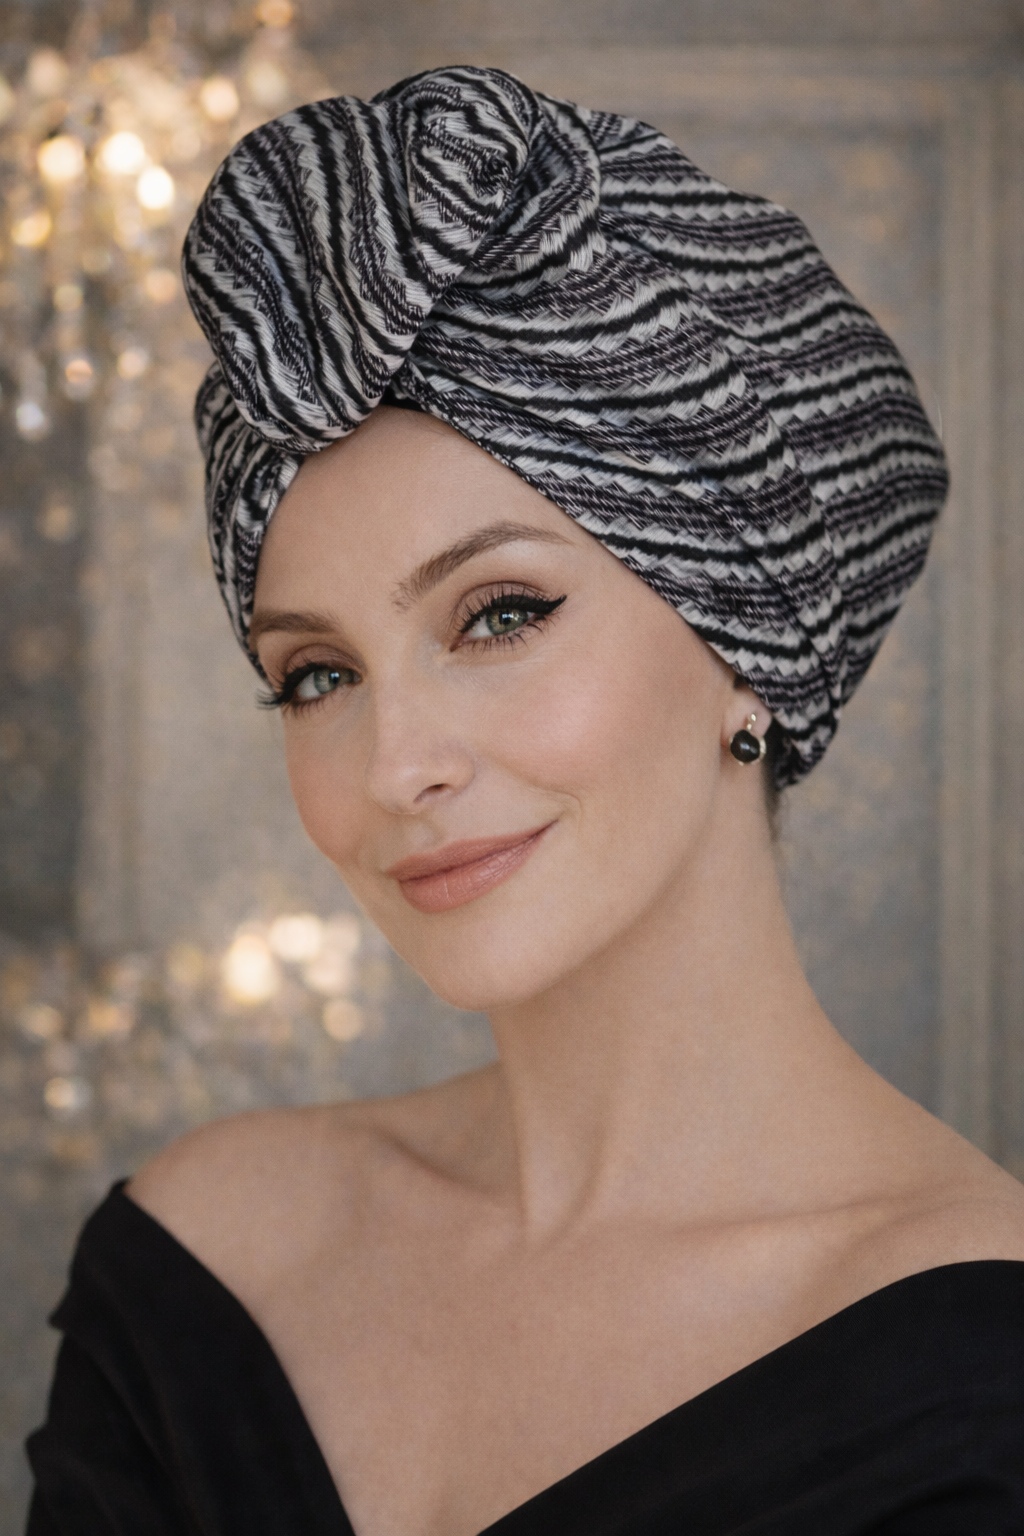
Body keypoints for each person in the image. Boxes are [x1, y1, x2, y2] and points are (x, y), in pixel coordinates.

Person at [26, 66, 1024, 1536]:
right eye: (316, 675)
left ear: (747, 648)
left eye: (499, 615)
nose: (396, 766)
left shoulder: (979, 1379)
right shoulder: (205, 1261)